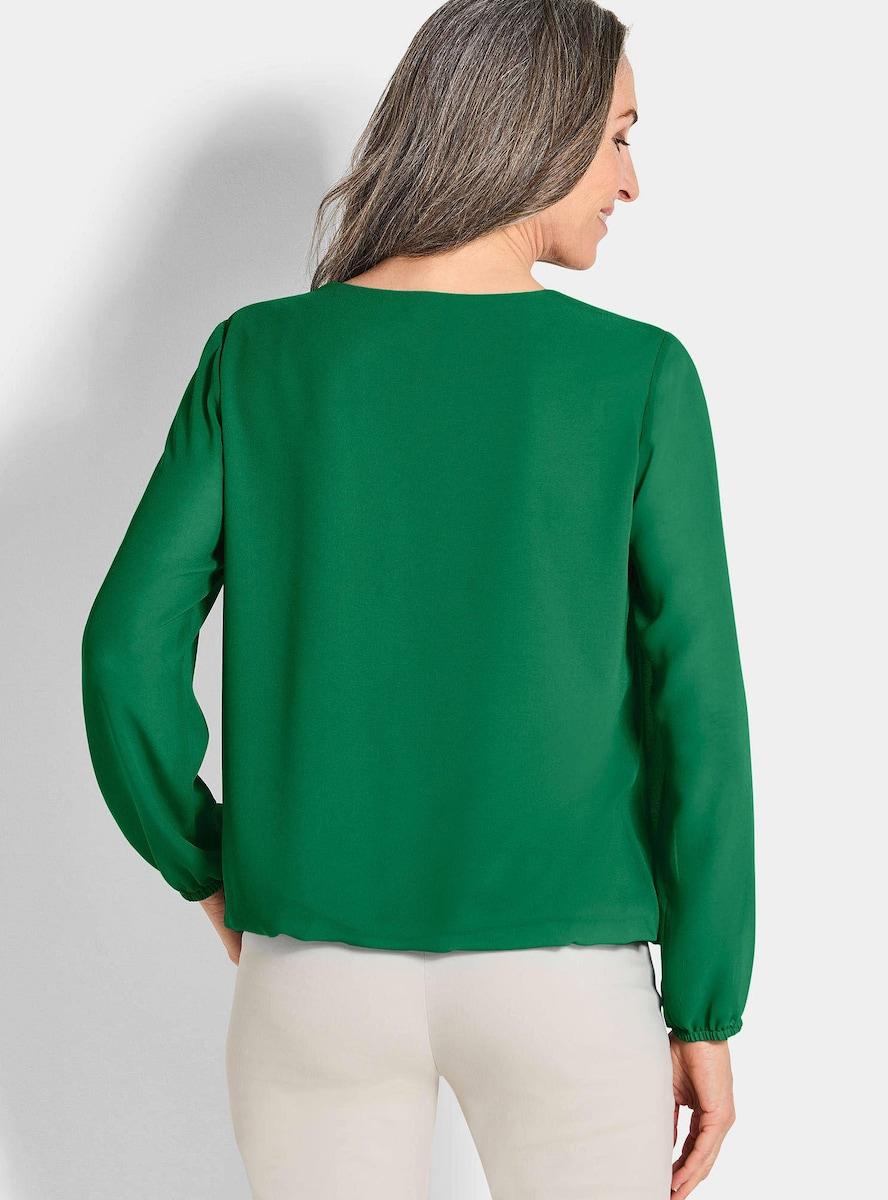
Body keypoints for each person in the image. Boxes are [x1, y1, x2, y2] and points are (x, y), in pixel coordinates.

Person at [80, 1, 756, 1196]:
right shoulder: (637, 376)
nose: (631, 181)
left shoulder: (258, 357)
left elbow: (126, 653)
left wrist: (211, 869)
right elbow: (697, 710)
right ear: (538, 126)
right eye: (618, 137)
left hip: (312, 974)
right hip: (566, 976)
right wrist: (705, 1003)